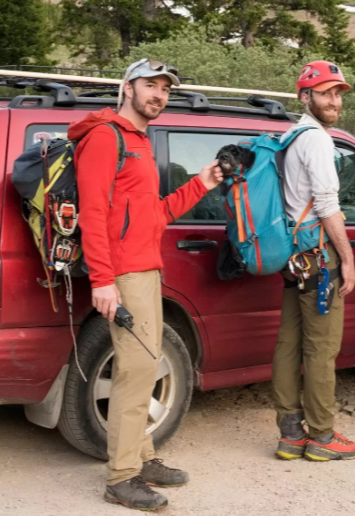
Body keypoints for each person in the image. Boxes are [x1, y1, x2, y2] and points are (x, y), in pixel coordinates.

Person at [69, 59, 223, 511]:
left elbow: (156, 214)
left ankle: (142, 457)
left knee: (146, 367)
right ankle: (121, 478)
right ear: (127, 87)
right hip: (124, 275)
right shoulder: (105, 137)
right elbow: (92, 213)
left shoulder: (138, 141)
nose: (158, 94)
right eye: (150, 85)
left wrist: (202, 183)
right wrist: (103, 280)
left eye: (165, 89)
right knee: (134, 375)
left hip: (146, 270)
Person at [271, 61, 355, 462]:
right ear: (305, 96)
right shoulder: (317, 140)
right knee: (322, 348)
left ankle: (291, 434)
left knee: (289, 343)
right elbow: (327, 204)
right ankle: (322, 435)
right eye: (325, 93)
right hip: (318, 257)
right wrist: (347, 258)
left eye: (338, 94)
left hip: (293, 255)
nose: (334, 101)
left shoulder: (290, 136)